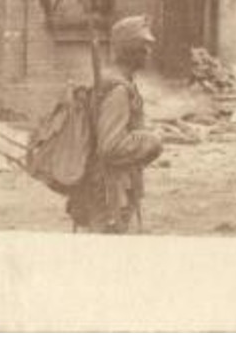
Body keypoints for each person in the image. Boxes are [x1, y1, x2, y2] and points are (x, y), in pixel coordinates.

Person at [66, 16, 165, 234]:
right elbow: (110, 146)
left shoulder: (117, 82)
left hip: (110, 187)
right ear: (131, 50)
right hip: (109, 192)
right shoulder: (118, 90)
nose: (149, 52)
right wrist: (152, 141)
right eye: (144, 46)